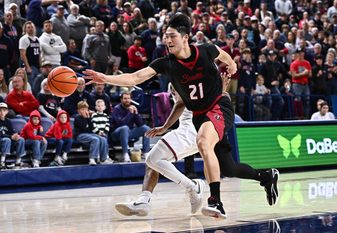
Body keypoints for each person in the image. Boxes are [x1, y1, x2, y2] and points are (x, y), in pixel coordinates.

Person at [84, 13, 279, 219]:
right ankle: (266, 176)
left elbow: (225, 56)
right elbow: (136, 77)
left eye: (172, 36)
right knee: (229, 168)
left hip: (219, 107)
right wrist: (105, 78)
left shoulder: (206, 50)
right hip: (199, 115)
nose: (167, 40)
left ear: (185, 37)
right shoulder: (166, 63)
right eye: (166, 36)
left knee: (203, 143)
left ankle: (216, 202)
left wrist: (232, 65)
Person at [115, 75, 278, 217]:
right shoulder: (179, 72)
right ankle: (144, 199)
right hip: (202, 126)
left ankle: (193, 187)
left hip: (197, 129)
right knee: (228, 168)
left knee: (153, 158)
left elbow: (184, 103)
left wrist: (164, 127)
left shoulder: (196, 75)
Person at [110, 91, 150, 162]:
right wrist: (130, 113)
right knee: (125, 128)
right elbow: (121, 124)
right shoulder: (116, 109)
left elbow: (140, 124)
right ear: (121, 100)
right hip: (116, 134)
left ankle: (145, 152)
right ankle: (125, 154)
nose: (127, 100)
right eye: (125, 98)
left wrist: (136, 113)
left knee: (146, 128)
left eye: (128, 98)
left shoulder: (132, 108)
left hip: (129, 133)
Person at [73, 101, 112, 165]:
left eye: (86, 109)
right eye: (82, 109)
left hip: (89, 134)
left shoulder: (89, 117)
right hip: (80, 135)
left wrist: (99, 132)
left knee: (103, 139)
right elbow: (84, 128)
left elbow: (91, 128)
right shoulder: (77, 118)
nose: (85, 111)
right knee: (95, 139)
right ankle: (92, 158)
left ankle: (103, 159)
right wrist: (86, 118)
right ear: (78, 111)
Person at [0, 102, 25, 170]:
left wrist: (15, 135)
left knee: (21, 139)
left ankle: (18, 161)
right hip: (2, 141)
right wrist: (10, 137)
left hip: (8, 142)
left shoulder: (8, 121)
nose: (2, 112)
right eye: (0, 110)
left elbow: (12, 132)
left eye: (4, 110)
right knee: (6, 139)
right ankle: (2, 162)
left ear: (7, 112)